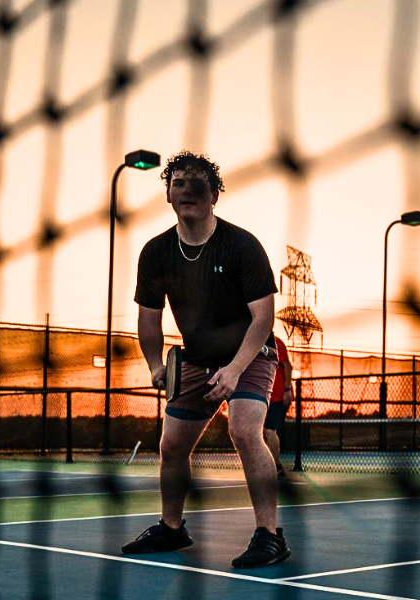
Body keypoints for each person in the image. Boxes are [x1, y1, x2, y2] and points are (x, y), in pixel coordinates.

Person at [121, 150, 290, 569]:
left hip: (250, 355)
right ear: (168, 195)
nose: (187, 190)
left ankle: (270, 535)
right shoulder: (156, 252)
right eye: (178, 183)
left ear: (214, 194)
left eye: (198, 184)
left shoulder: (241, 246)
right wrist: (155, 365)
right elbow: (148, 319)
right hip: (195, 360)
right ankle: (172, 528)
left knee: (246, 431)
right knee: (171, 445)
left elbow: (263, 317)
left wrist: (234, 370)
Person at [263, 333, 294, 479]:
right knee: (260, 432)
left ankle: (276, 467)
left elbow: (287, 366)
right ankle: (268, 464)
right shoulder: (252, 342)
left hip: (278, 396)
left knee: (269, 431)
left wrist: (287, 389)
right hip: (263, 396)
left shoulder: (276, 343)